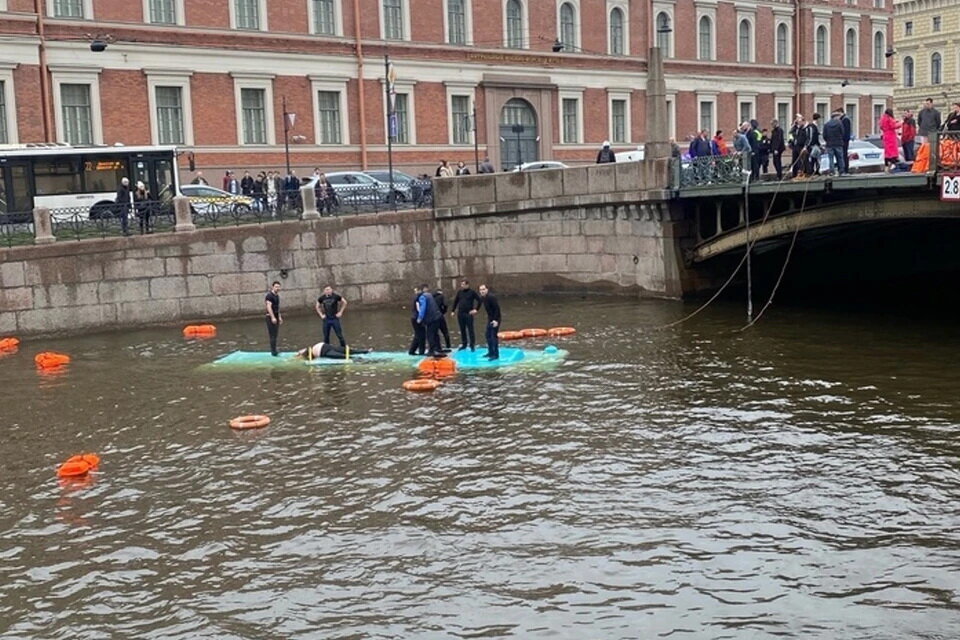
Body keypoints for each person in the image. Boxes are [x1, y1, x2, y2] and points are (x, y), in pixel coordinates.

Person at [451, 278, 481, 351]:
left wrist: (476, 309)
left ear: (467, 285)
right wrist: (453, 310)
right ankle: (464, 344)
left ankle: (472, 345)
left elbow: (479, 300)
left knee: (470, 329)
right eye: (461, 284)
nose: (462, 286)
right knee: (462, 329)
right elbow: (456, 301)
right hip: (460, 313)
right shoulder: (459, 292)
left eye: (464, 284)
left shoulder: (472, 292)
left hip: (468, 313)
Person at [415, 284, 443, 357]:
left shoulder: (422, 297)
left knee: (430, 335)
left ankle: (431, 351)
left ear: (420, 291)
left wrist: (419, 318)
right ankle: (438, 348)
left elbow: (423, 308)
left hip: (431, 319)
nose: (416, 293)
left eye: (417, 291)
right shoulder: (429, 295)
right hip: (437, 317)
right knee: (435, 334)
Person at [478, 284, 500, 360]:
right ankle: (490, 352)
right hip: (490, 318)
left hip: (496, 319)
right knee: (487, 335)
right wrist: (475, 310)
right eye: (480, 290)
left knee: (493, 336)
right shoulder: (482, 298)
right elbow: (478, 303)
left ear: (487, 290)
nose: (482, 291)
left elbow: (497, 309)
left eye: (483, 289)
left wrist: (496, 320)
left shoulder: (491, 297)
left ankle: (496, 355)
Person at [822, 111, 846, 177]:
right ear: (836, 117)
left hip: (829, 144)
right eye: (838, 116)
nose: (839, 118)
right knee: (840, 158)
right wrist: (840, 139)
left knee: (831, 159)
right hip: (838, 143)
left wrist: (828, 140)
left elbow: (824, 135)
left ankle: (832, 171)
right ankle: (841, 171)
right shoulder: (839, 124)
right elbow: (843, 132)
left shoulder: (826, 124)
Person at [295, 342, 371, 360]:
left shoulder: (309, 352)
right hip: (326, 347)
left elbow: (302, 353)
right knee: (347, 351)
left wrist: (298, 356)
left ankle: (364, 353)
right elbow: (302, 352)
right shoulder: (310, 350)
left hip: (325, 351)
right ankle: (366, 351)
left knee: (344, 355)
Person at [879, 107, 901, 173]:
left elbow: (881, 126)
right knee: (893, 151)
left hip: (885, 136)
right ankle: (893, 164)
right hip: (891, 136)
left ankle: (886, 167)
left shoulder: (883, 119)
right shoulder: (889, 118)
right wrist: (900, 123)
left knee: (887, 152)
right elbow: (893, 126)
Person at [407, 286, 426, 356]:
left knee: (418, 335)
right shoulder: (420, 297)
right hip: (417, 318)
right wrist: (420, 317)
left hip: (414, 317)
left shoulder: (416, 297)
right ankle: (421, 351)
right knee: (421, 335)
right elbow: (420, 309)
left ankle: (412, 350)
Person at [265, 281, 282, 356]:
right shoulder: (269, 296)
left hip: (276, 316)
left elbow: (277, 308)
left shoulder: (277, 296)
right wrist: (273, 317)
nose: (277, 288)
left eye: (279, 287)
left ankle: (275, 349)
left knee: (275, 334)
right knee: (272, 335)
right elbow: (268, 307)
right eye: (276, 287)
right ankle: (273, 351)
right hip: (270, 317)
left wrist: (280, 317)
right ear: (273, 287)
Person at [838, 107, 852, 175]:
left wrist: (842, 138)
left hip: (844, 140)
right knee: (843, 154)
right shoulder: (844, 119)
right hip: (844, 140)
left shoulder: (845, 119)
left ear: (841, 112)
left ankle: (845, 169)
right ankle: (844, 169)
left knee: (844, 154)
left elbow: (845, 131)